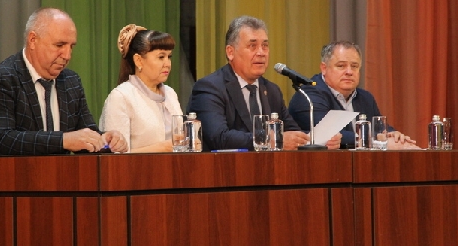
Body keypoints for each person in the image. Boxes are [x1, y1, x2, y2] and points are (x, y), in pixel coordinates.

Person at [0, 8, 128, 230]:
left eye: (71, 46)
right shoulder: (1, 79)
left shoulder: (71, 82)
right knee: (55, 216)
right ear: (33, 40)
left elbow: (85, 133)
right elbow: (1, 141)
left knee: (97, 211)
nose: (67, 55)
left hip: (45, 189)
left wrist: (105, 140)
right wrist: (64, 140)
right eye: (60, 45)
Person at [186, 15, 341, 151]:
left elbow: (291, 133)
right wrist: (272, 140)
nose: (261, 53)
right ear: (230, 52)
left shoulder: (272, 90)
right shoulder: (210, 88)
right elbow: (219, 137)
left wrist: (319, 140)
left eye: (265, 46)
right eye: (252, 46)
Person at [288, 41, 416, 149]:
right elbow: (329, 135)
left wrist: (394, 135)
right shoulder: (308, 96)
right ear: (324, 68)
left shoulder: (365, 97)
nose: (349, 72)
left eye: (354, 66)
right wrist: (380, 142)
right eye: (341, 66)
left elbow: (380, 129)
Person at [99, 24, 182, 152]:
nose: (168, 64)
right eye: (161, 57)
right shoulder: (121, 97)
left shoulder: (170, 93)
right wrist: (163, 148)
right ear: (138, 60)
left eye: (169, 57)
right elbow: (116, 156)